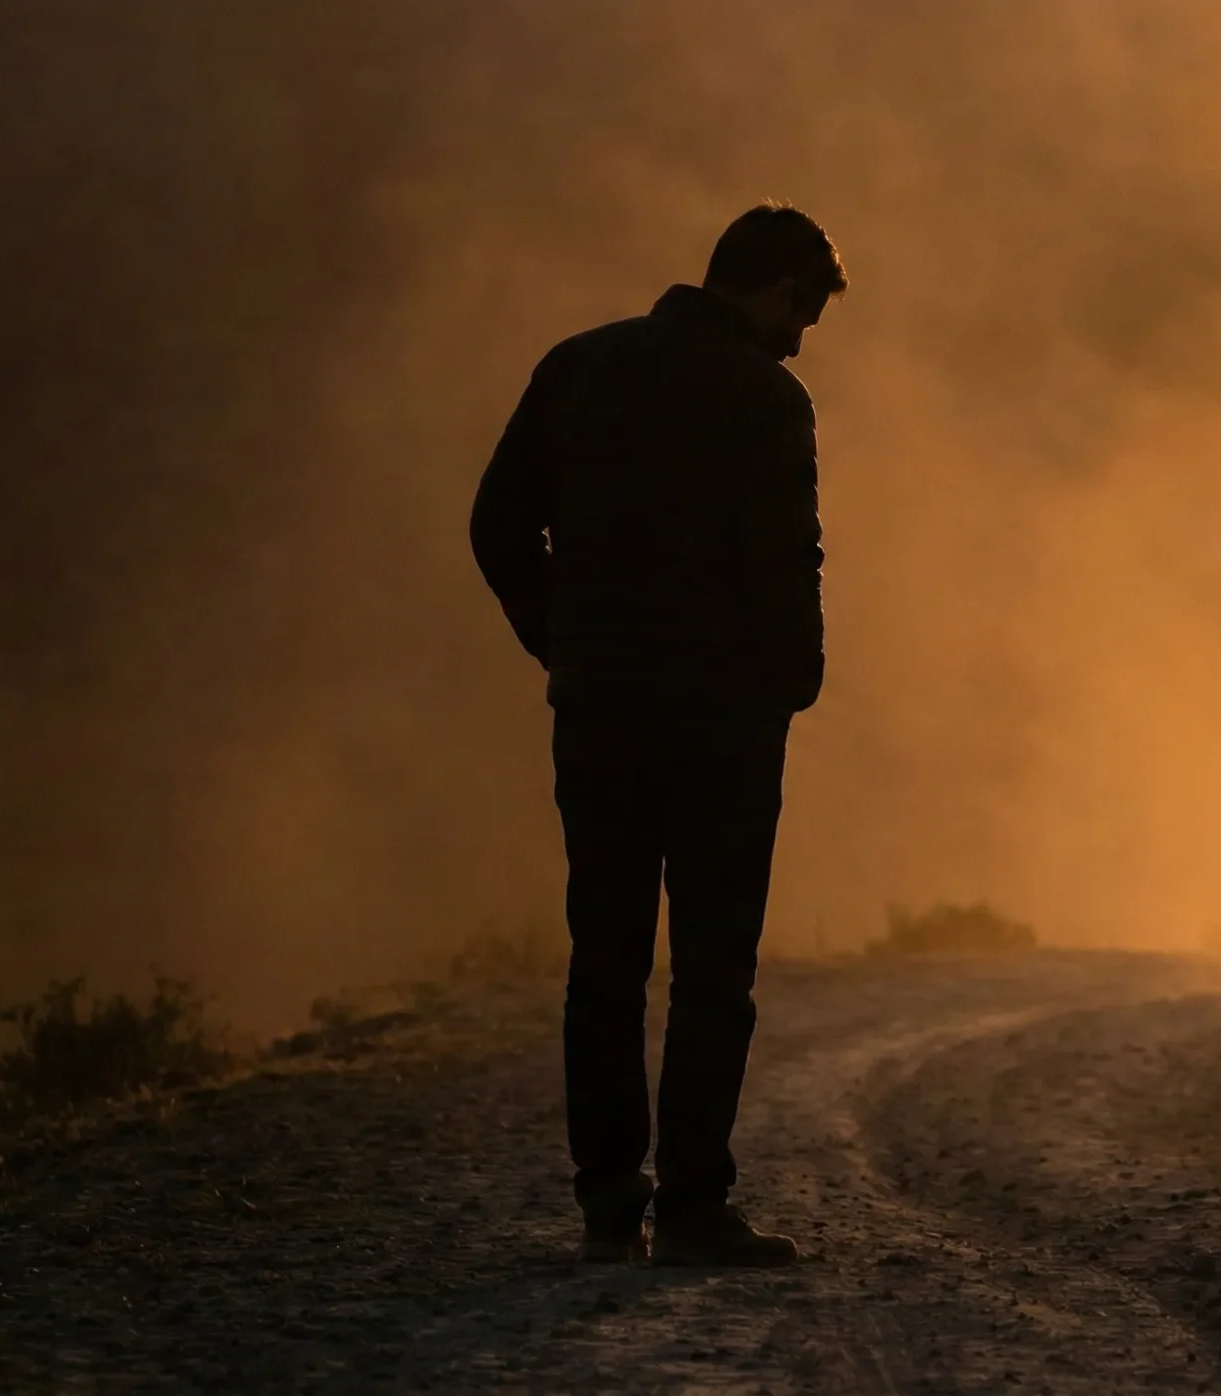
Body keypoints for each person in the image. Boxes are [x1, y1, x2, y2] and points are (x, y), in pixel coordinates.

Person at [469, 203, 845, 1266]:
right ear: (775, 290)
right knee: (713, 969)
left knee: (606, 958)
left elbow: (497, 524)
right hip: (724, 724)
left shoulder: (578, 367)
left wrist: (561, 640)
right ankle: (690, 1204)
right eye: (802, 318)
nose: (798, 342)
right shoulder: (765, 398)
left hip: (599, 709)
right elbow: (784, 559)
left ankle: (605, 1199)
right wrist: (793, 681)